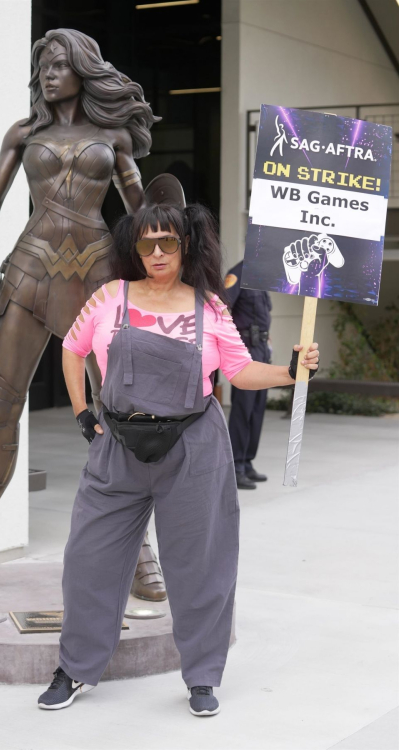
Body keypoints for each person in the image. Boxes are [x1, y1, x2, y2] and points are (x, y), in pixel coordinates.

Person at [37, 203, 320, 716]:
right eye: (148, 244)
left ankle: (203, 677)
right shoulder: (108, 297)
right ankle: (76, 668)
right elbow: (72, 349)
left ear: (186, 245)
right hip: (117, 447)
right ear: (134, 249)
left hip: (193, 448)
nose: (159, 253)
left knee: (201, 565)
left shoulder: (208, 306)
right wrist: (82, 411)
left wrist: (291, 371)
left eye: (169, 241)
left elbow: (240, 370)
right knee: (87, 560)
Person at [0, 28, 165, 605]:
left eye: (60, 63)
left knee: (119, 415)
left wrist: (171, 274)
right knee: (1, 411)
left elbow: (144, 214)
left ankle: (139, 550)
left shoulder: (113, 136)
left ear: (84, 69)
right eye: (43, 66)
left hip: (101, 276)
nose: (49, 74)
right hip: (30, 273)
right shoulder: (24, 132)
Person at [224, 261, 272, 489]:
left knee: (257, 409)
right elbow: (223, 310)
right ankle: (235, 466)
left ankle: (247, 461)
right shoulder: (237, 274)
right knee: (243, 409)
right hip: (246, 349)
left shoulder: (261, 275)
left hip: (261, 347)